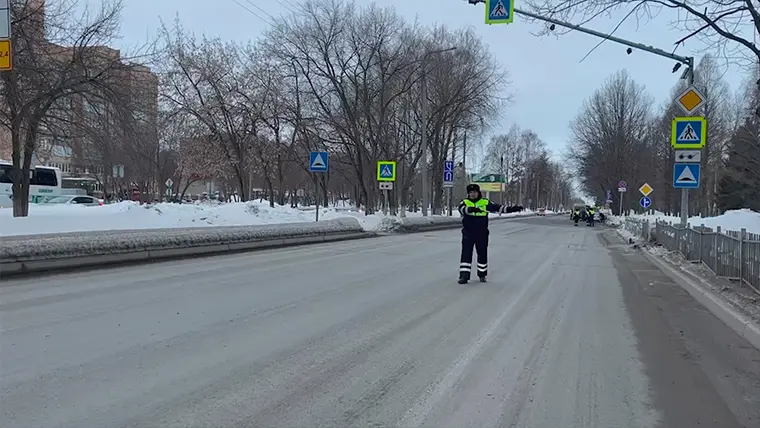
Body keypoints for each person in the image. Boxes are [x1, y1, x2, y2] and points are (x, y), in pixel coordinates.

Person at [457, 184, 524, 284]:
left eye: (474, 192)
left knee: (482, 253)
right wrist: (470, 209)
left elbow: (499, 208)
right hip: (468, 232)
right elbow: (461, 209)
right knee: (466, 254)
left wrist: (513, 209)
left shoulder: (485, 202)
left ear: (478, 192)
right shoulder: (465, 202)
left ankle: (482, 274)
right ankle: (464, 276)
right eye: (471, 193)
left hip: (482, 232)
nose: (473, 194)